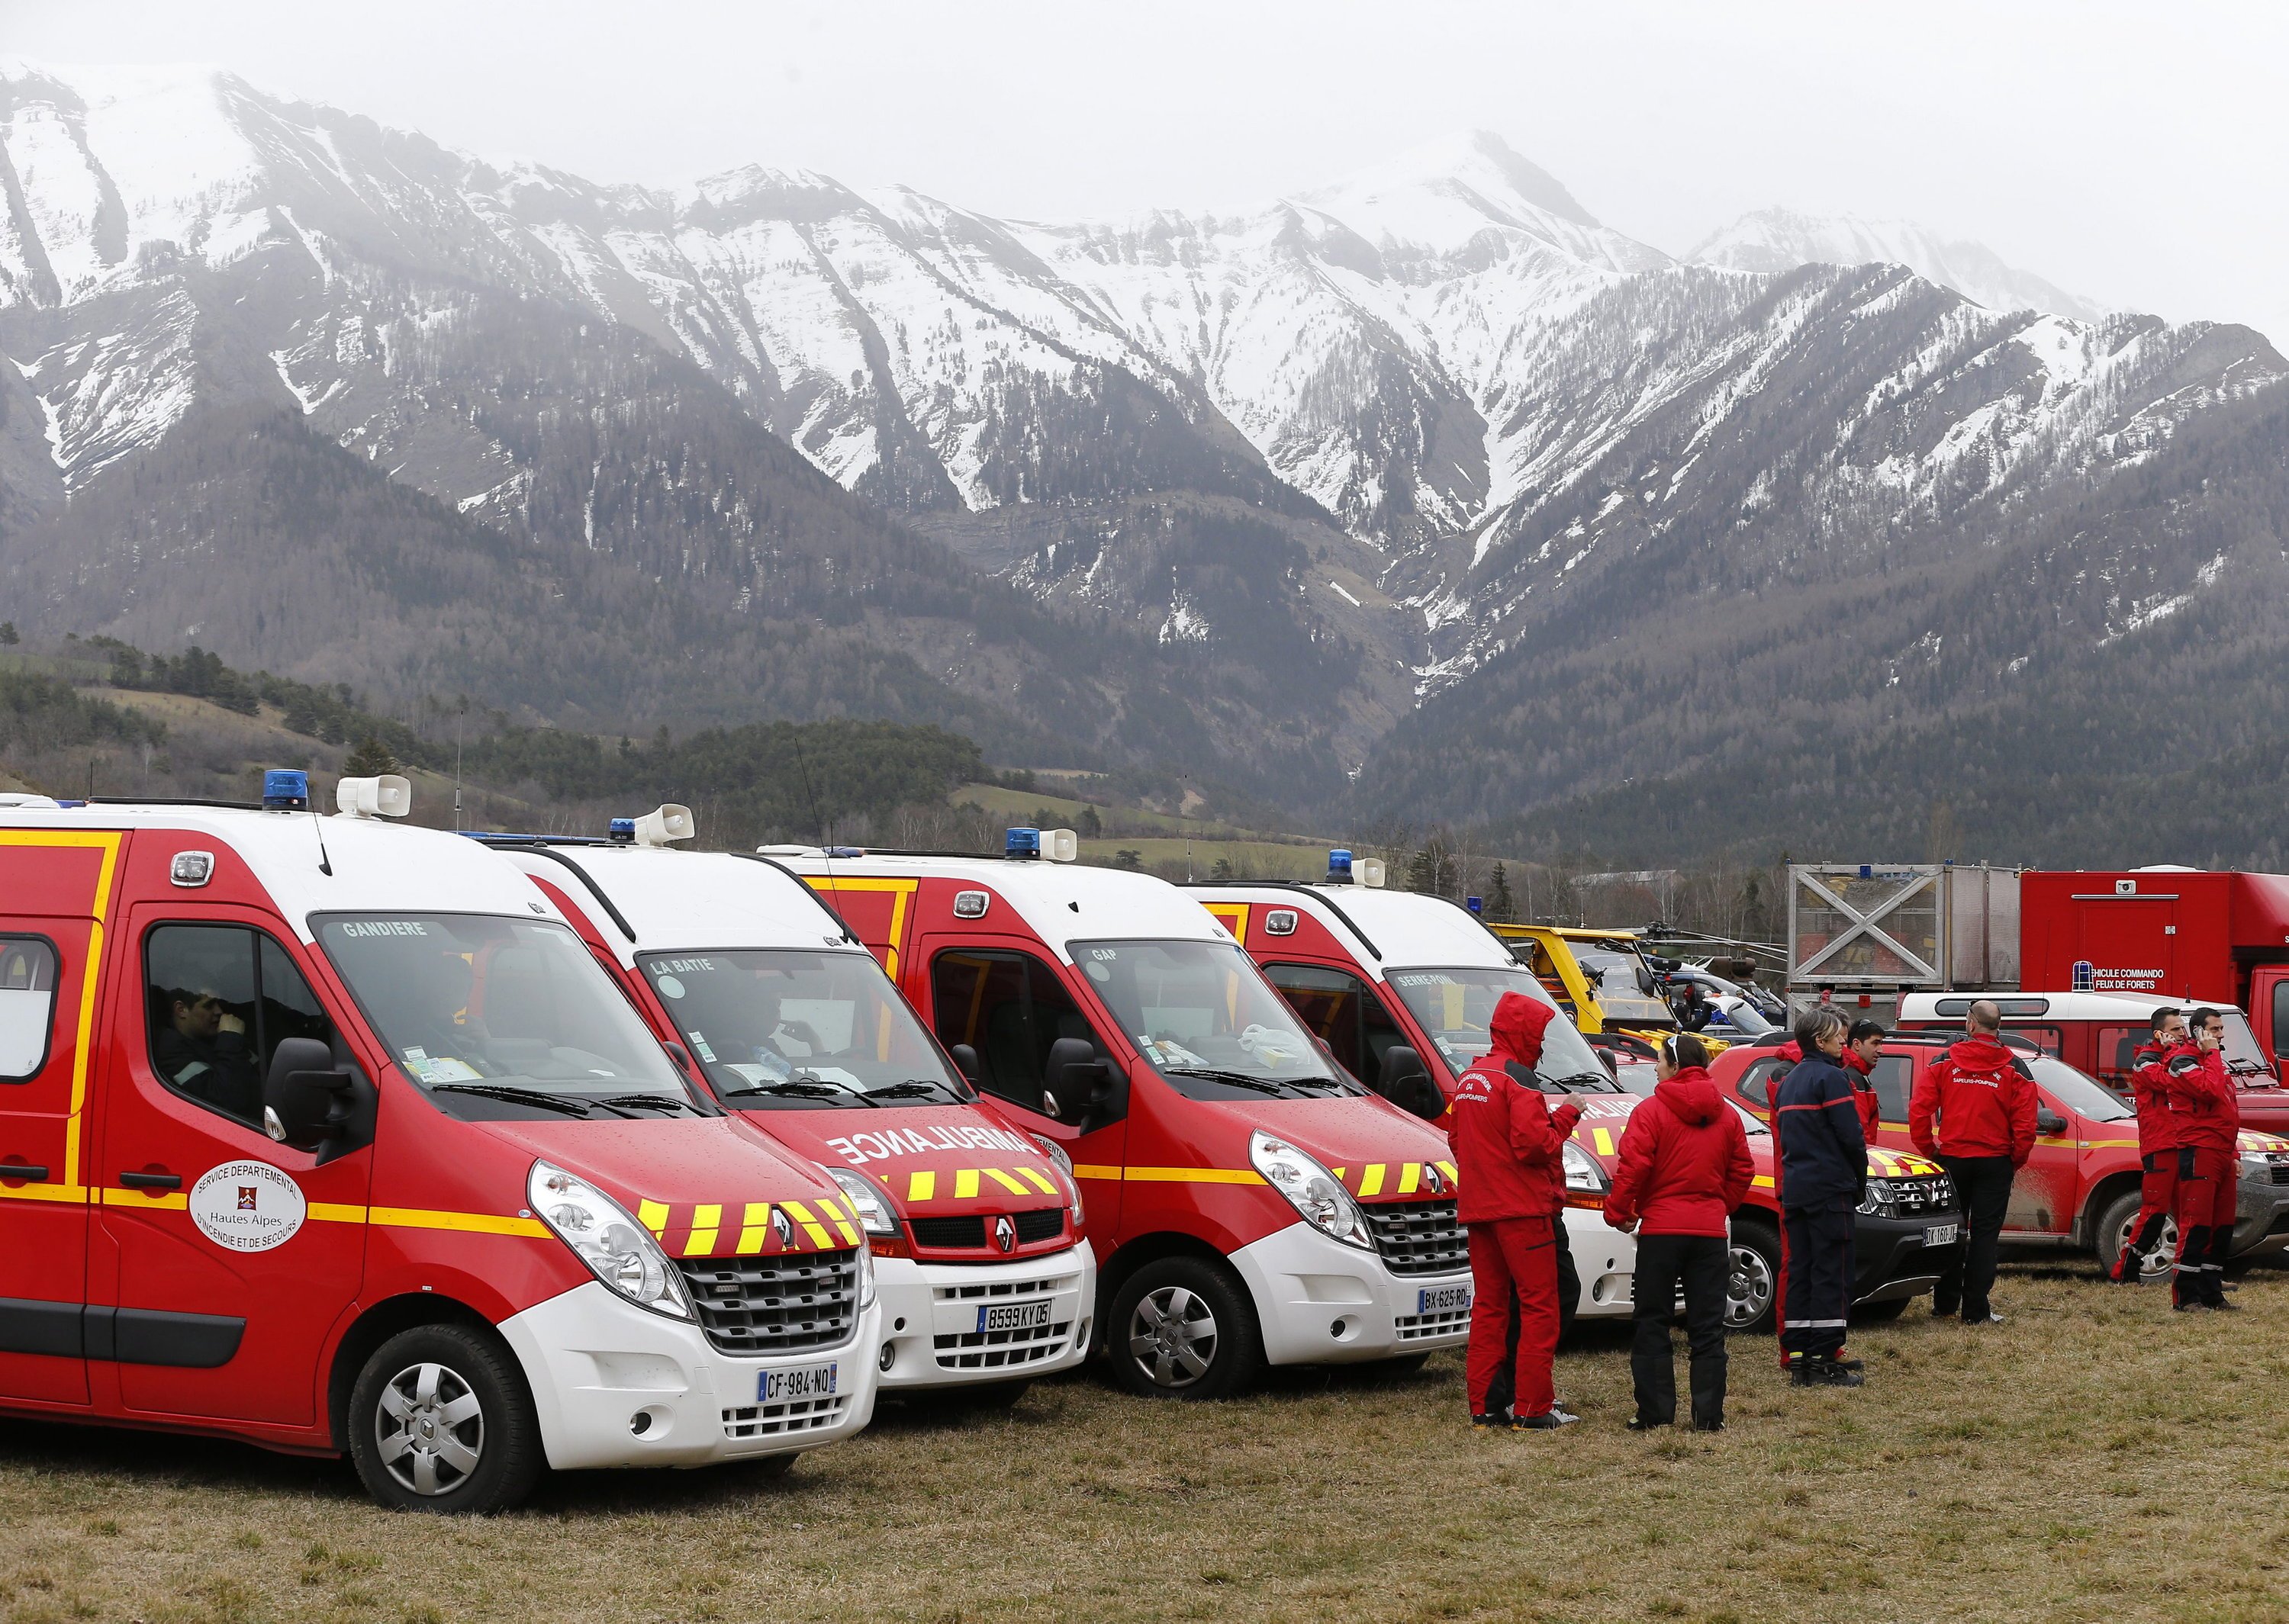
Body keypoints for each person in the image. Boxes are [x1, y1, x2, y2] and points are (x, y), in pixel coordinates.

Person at [1604, 1033, 1753, 1430]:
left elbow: (1633, 1167)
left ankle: (1655, 1415)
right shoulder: (1728, 1114)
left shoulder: (1650, 1111)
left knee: (1652, 1319)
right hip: (1708, 1233)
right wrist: (1720, 1206)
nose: (1654, 1068)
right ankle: (1709, 1417)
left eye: (1658, 1061)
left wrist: (1619, 1211)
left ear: (1672, 1065)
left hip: (1661, 1231)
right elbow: (1742, 1171)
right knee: (1707, 1326)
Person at [1447, 992, 1583, 1429]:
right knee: (1540, 1306)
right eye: (1539, 1036)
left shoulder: (1470, 1078)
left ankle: (1484, 1405)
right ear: (1524, 1034)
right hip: (1522, 1212)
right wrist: (1567, 1114)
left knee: (1489, 1308)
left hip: (1479, 1209)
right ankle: (1532, 1407)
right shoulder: (1519, 1078)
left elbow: (1455, 1141)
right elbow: (1535, 1145)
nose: (1542, 1046)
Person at [1909, 998, 2036, 1326]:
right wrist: (2014, 1160)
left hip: (1953, 1159)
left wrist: (1929, 1150)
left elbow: (1919, 1110)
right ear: (1999, 1028)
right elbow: (2026, 1124)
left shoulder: (1944, 1061)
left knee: (1952, 1231)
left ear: (1969, 1024)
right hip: (1994, 1162)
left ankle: (1945, 1303)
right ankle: (1976, 1310)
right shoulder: (2015, 1068)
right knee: (1984, 1236)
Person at [1773, 1007, 1867, 1386]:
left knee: (1802, 1272)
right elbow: (1851, 1137)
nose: (1843, 1042)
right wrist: (1858, 1180)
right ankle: (1824, 1359)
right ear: (1820, 1041)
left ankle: (1799, 1357)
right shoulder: (1832, 1078)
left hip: (1797, 1190)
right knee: (1832, 1274)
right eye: (1837, 1037)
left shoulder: (1789, 1081)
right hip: (1830, 1190)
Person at [2107, 1005, 2188, 1284]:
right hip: (2161, 1145)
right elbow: (2172, 1082)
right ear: (2159, 1034)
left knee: (2188, 1210)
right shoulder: (2146, 1061)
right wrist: (2173, 1054)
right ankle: (2127, 1268)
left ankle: (2193, 1271)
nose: (2182, 1034)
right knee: (2155, 1209)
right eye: (2176, 1029)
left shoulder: (2177, 1056)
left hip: (2184, 1142)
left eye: (2182, 1028)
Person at [2167, 1007, 2241, 1310]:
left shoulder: (2212, 1063)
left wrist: (2233, 1154)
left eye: (2222, 1030)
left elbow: (2228, 1113)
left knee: (2220, 1226)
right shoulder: (2182, 1062)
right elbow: (2209, 1092)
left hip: (2221, 1152)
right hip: (2199, 1151)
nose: (2220, 1036)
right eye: (2215, 1030)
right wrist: (2212, 1054)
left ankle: (2211, 1294)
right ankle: (2186, 1296)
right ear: (2198, 1031)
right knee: (2196, 1224)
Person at [152, 986, 260, 1116]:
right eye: (209, 1006)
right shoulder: (169, 1050)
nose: (219, 1011)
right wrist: (231, 1038)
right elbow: (228, 1100)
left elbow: (261, 1077)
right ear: (181, 1010)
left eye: (218, 1003)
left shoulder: (210, 1036)